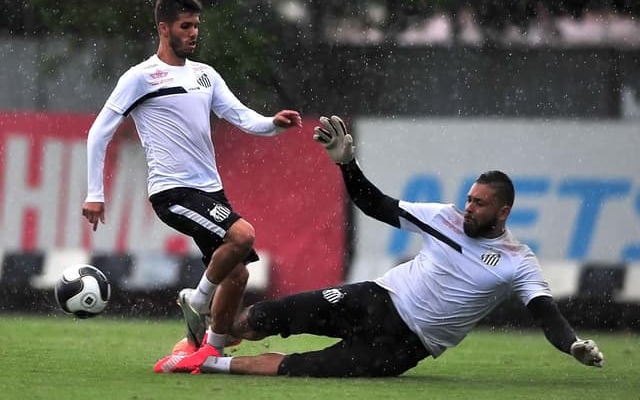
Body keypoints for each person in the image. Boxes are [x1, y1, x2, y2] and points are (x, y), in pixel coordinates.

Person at [154, 115, 604, 377]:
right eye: (469, 198)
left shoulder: (517, 262)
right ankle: (201, 346)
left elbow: (548, 315)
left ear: (502, 213)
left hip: (407, 345)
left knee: (302, 368)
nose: (468, 208)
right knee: (273, 315)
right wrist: (347, 165)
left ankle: (209, 367)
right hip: (376, 298)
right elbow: (374, 204)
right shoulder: (443, 216)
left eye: (479, 204)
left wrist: (572, 346)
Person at [82, 0, 301, 355]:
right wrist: (95, 193)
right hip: (172, 191)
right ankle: (197, 302)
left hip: (210, 191)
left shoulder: (206, 76)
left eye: (197, 25)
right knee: (243, 236)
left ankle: (208, 350)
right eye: (186, 26)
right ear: (164, 29)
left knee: (237, 274)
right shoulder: (140, 78)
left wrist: (273, 124)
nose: (194, 33)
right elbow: (99, 132)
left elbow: (241, 116)